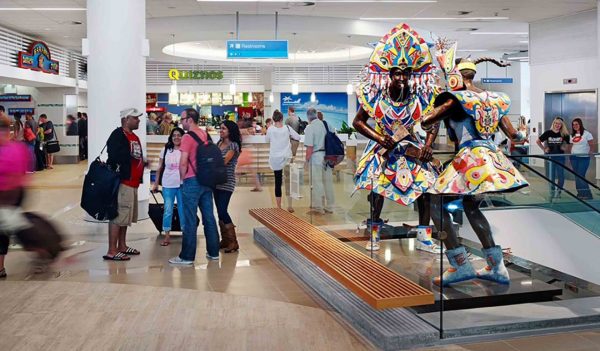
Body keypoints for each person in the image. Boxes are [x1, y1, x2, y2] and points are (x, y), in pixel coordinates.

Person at [421, 47, 528, 286]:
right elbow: (515, 136)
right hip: (491, 158)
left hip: (468, 157)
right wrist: (522, 131)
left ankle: (460, 264)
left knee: (435, 203)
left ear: (456, 75)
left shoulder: (456, 98)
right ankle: (497, 266)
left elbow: (426, 120)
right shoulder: (494, 99)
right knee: (472, 207)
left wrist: (439, 99)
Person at [352, 23, 440, 252]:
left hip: (410, 147)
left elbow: (433, 122)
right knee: (376, 189)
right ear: (389, 74)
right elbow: (358, 122)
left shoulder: (418, 98)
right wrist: (379, 138)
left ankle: (423, 236)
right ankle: (374, 235)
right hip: (383, 147)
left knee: (426, 189)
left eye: (407, 73)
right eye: (398, 73)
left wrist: (428, 145)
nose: (402, 77)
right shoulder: (375, 96)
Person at [169, 108, 220, 264]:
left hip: (192, 181)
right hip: (206, 181)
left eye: (182, 119)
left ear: (189, 119)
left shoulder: (187, 137)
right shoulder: (204, 134)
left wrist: (182, 180)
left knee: (190, 219)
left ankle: (187, 256)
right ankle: (213, 252)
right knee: (209, 217)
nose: (181, 122)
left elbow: (183, 162)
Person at [104, 108, 145, 261]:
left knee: (125, 217)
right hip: (123, 182)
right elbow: (114, 156)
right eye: (135, 118)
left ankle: (122, 246)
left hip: (132, 182)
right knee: (118, 215)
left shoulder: (133, 136)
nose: (138, 120)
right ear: (126, 119)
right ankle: (112, 250)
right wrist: (128, 158)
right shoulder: (118, 135)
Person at [0, 114, 30, 278]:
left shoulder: (15, 149)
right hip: (14, 195)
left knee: (4, 232)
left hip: (9, 196)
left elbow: (17, 175)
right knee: (7, 230)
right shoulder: (18, 148)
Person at [152, 127, 186, 246]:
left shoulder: (185, 150)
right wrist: (156, 183)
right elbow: (159, 167)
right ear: (171, 137)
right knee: (168, 210)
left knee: (183, 210)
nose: (176, 137)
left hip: (183, 184)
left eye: (179, 135)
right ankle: (166, 235)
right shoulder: (166, 149)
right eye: (174, 135)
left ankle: (185, 234)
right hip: (168, 183)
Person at [214, 120, 242, 253]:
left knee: (223, 210)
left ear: (230, 130)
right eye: (220, 128)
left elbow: (224, 161)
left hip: (227, 182)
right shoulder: (218, 143)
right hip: (216, 182)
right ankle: (225, 239)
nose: (221, 130)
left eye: (224, 128)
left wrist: (210, 161)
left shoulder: (233, 145)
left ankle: (233, 241)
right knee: (219, 212)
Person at [266, 110, 301, 211]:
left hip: (275, 159)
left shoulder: (270, 129)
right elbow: (298, 137)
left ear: (273, 119)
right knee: (289, 181)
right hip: (287, 158)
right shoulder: (287, 128)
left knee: (278, 182)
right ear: (282, 119)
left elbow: (266, 140)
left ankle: (278, 206)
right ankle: (290, 205)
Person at [304, 107, 335, 215]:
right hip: (327, 157)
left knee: (317, 182)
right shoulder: (325, 124)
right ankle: (330, 206)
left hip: (316, 157)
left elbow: (309, 148)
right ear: (316, 115)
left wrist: (306, 161)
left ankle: (319, 207)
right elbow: (333, 135)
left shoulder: (310, 127)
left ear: (308, 117)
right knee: (328, 182)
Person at [537, 117, 571, 198]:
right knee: (551, 176)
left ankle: (558, 193)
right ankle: (552, 192)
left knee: (561, 176)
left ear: (561, 125)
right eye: (556, 123)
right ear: (553, 123)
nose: (557, 125)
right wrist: (544, 149)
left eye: (559, 124)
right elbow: (538, 141)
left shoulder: (564, 134)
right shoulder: (548, 133)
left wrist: (565, 148)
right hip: (551, 157)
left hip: (560, 157)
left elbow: (569, 144)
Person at [569, 118, 594, 200]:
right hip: (574, 158)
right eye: (573, 124)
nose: (575, 126)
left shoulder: (587, 134)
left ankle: (588, 194)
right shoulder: (572, 135)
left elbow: (591, 145)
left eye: (576, 124)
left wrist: (591, 152)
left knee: (581, 175)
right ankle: (580, 193)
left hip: (584, 158)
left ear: (580, 124)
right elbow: (571, 145)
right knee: (577, 176)